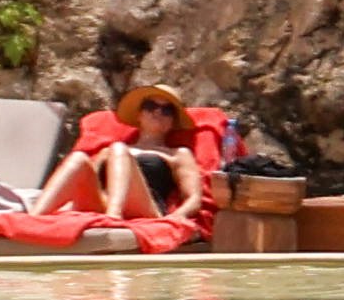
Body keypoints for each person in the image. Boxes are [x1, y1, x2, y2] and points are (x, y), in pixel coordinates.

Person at [11, 82, 205, 230]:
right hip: (102, 202)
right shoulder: (110, 151)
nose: (158, 112)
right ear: (139, 114)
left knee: (119, 149)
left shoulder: (177, 154)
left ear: (173, 121)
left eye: (167, 110)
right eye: (150, 106)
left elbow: (194, 199)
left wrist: (172, 220)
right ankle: (33, 217)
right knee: (79, 159)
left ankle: (113, 216)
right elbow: (86, 181)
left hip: (146, 209)